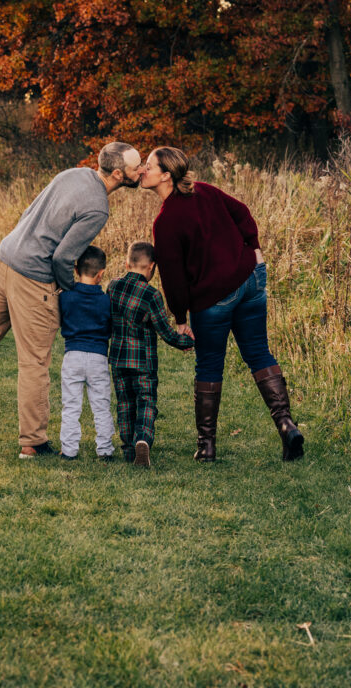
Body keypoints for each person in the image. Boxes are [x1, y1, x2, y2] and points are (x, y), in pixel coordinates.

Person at [0, 142, 143, 458]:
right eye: (136, 167)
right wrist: (70, 290)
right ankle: (32, 442)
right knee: (34, 359)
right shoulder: (98, 207)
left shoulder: (73, 174)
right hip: (33, 276)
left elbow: (29, 213)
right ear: (118, 173)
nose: (140, 171)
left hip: (5, 258)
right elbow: (63, 257)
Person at [142, 146, 304, 463]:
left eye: (148, 165)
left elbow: (173, 278)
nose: (143, 170)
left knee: (209, 365)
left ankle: (207, 447)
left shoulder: (166, 222)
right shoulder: (205, 191)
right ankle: (286, 425)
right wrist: (254, 252)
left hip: (216, 295)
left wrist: (179, 318)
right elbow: (243, 212)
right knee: (258, 351)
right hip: (250, 278)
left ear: (165, 175)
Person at [107, 241, 194, 468]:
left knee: (125, 403)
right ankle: (142, 439)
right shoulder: (151, 295)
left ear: (127, 263)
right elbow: (165, 332)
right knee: (146, 402)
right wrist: (187, 341)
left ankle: (128, 448)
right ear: (152, 267)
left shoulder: (113, 286)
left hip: (117, 359)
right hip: (143, 363)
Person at [59, 245, 115, 461]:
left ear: (75, 270)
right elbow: (109, 327)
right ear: (101, 274)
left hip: (72, 355)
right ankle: (105, 449)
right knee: (101, 404)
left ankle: (69, 450)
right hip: (98, 357)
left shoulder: (66, 297)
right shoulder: (106, 301)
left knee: (71, 404)